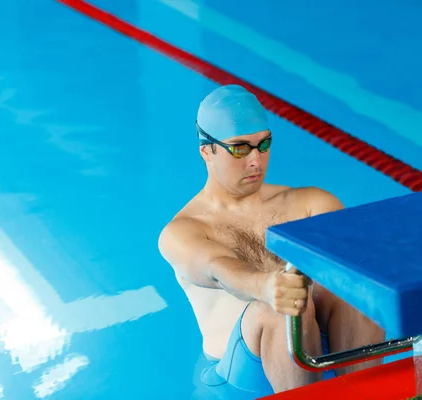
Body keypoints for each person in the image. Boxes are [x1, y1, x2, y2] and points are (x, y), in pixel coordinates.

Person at [157, 85, 385, 398]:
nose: (255, 160)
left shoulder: (309, 202)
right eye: (239, 148)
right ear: (206, 150)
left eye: (263, 144)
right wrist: (264, 286)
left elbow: (358, 262)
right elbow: (217, 268)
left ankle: (370, 395)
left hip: (327, 353)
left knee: (356, 290)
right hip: (241, 377)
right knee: (282, 308)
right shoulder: (183, 231)